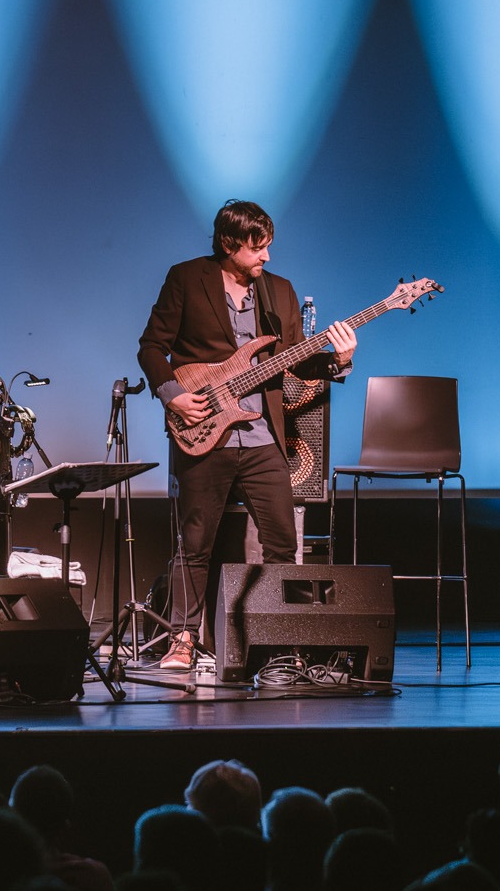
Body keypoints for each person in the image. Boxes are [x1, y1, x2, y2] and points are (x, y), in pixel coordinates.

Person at [137, 200, 354, 671]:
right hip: (203, 431)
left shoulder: (280, 291)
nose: (266, 257)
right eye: (257, 248)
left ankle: (280, 642)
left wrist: (338, 360)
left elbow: (297, 360)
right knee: (195, 545)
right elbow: (151, 347)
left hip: (261, 437)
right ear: (228, 243)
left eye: (269, 247)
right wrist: (174, 395)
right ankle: (182, 639)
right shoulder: (186, 278)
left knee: (282, 543)